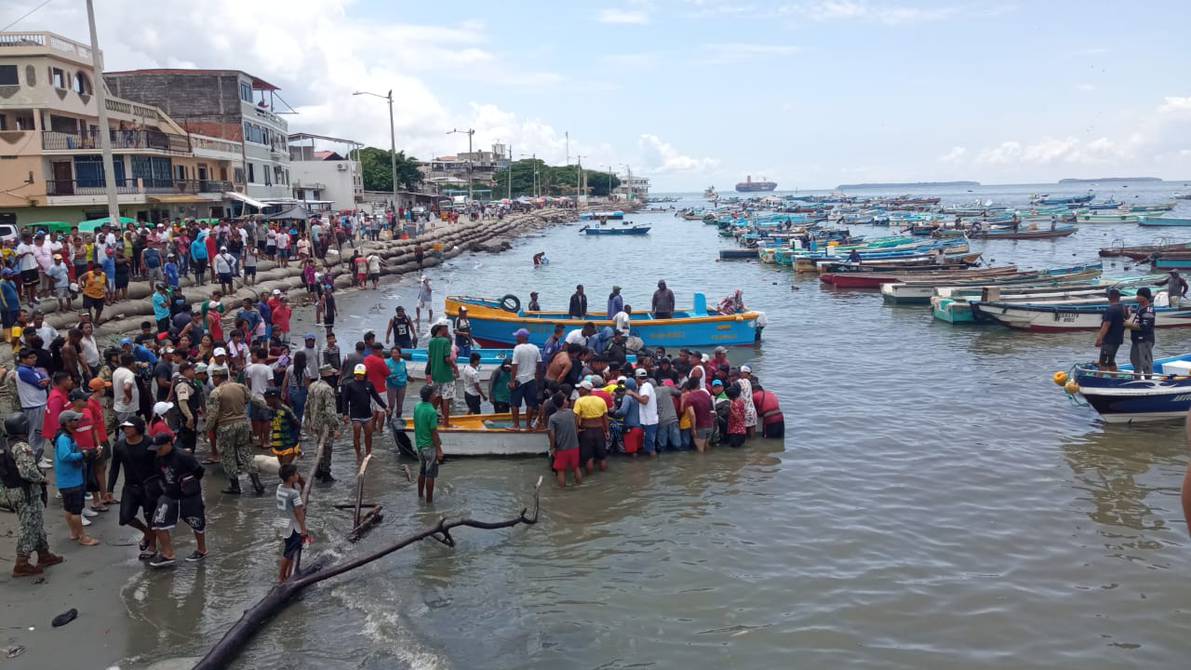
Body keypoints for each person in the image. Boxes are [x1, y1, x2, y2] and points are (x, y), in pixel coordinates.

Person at [2, 412, 64, 576]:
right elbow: (27, 472)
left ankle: (44, 554)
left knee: (36, 522)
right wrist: (43, 479)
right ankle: (21, 563)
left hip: (13, 490)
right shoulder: (21, 447)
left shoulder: (6, 443)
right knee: (28, 526)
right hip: (25, 492)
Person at [147, 433, 207, 568]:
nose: (158, 451)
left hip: (189, 497)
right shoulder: (158, 458)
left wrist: (188, 482)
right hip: (169, 496)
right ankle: (168, 554)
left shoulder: (183, 456)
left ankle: (201, 549)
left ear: (169, 444)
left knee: (197, 523)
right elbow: (159, 475)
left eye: (160, 448)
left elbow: (199, 472)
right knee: (157, 522)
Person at [206, 367, 266, 495]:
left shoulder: (216, 392)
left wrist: (207, 429)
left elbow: (213, 414)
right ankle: (257, 483)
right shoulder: (240, 387)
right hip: (243, 424)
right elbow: (254, 400)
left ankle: (234, 486)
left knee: (228, 456)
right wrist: (267, 407)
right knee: (246, 453)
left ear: (218, 377)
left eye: (213, 377)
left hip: (226, 426)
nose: (213, 380)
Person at [108, 416, 159, 560]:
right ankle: (147, 534)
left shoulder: (150, 442)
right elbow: (114, 468)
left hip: (149, 486)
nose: (126, 430)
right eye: (124, 427)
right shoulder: (119, 446)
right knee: (125, 517)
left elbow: (160, 462)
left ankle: (152, 546)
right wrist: (109, 489)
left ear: (138, 428)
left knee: (151, 518)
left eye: (130, 427)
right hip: (130, 486)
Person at [54, 410, 100, 546]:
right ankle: (82, 536)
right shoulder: (64, 438)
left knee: (68, 509)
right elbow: (65, 456)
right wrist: (83, 454)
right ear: (67, 423)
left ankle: (74, 532)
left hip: (66, 480)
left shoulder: (65, 436)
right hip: (71, 480)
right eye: (75, 420)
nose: (78, 422)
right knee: (75, 511)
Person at [340, 363, 386, 460]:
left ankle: (368, 453)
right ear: (355, 374)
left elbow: (376, 397)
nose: (359, 376)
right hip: (355, 414)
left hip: (367, 414)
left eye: (361, 374)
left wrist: (385, 407)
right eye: (358, 374)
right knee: (356, 433)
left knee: (368, 434)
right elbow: (345, 400)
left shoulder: (369, 384)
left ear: (364, 373)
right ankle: (358, 454)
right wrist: (345, 414)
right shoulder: (350, 385)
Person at [275, 463, 312, 582]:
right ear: (291, 477)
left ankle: (289, 573)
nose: (298, 475)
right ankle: (281, 577)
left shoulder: (279, 488)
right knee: (289, 551)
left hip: (283, 522)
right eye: (296, 474)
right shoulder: (294, 494)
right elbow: (299, 513)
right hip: (292, 525)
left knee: (290, 548)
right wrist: (303, 529)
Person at [306, 364, 340, 483]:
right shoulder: (327, 389)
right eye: (333, 375)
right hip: (326, 425)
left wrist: (309, 421)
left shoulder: (312, 385)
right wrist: (335, 427)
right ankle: (326, 473)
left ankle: (318, 470)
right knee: (327, 448)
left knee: (319, 446)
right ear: (329, 376)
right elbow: (330, 411)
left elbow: (307, 405)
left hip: (315, 423)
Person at [413, 384, 444, 503]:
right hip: (429, 446)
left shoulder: (417, 406)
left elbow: (416, 424)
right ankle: (429, 502)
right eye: (434, 394)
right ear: (431, 396)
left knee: (422, 472)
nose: (436, 395)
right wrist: (439, 449)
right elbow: (434, 433)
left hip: (420, 445)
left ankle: (420, 495)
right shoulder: (431, 411)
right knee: (430, 474)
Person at [573, 381, 610, 474]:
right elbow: (605, 418)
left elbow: (576, 418)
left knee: (588, 458)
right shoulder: (601, 400)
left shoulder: (579, 401)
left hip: (586, 431)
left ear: (585, 390)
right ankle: (604, 477)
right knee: (602, 457)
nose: (579, 391)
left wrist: (576, 430)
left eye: (580, 389)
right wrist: (607, 431)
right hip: (599, 431)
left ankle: (590, 479)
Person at [508, 328, 541, 430]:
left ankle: (516, 425)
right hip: (531, 379)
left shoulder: (517, 348)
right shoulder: (535, 348)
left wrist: (512, 380)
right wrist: (537, 377)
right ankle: (528, 425)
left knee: (514, 403)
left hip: (519, 379)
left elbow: (514, 365)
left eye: (517, 337)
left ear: (521, 337)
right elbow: (539, 363)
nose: (516, 338)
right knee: (530, 403)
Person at [547, 393, 583, 487]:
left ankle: (562, 490)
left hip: (562, 448)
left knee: (561, 470)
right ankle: (579, 485)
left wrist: (552, 448)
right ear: (563, 403)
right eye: (566, 400)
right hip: (575, 446)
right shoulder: (571, 413)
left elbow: (552, 434)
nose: (567, 401)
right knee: (576, 467)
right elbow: (576, 428)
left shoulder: (553, 418)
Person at [426, 323, 457, 427]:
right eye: (446, 328)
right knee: (446, 399)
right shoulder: (445, 341)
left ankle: (430, 419)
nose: (447, 330)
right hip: (446, 375)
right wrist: (455, 367)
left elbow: (430, 359)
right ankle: (446, 423)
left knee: (437, 397)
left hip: (435, 374)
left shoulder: (431, 342)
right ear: (441, 329)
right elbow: (447, 359)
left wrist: (429, 373)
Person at [626, 368, 659, 458]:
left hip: (650, 421)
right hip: (648, 420)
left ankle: (652, 464)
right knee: (648, 446)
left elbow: (644, 401)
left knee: (650, 447)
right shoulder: (645, 386)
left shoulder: (645, 386)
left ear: (637, 378)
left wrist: (632, 393)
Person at [265, 388, 302, 465]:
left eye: (267, 399)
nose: (266, 401)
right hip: (278, 444)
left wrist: (294, 438)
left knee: (286, 468)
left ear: (274, 398)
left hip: (288, 443)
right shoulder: (271, 411)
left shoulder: (285, 410)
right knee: (284, 469)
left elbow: (297, 424)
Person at [1127, 287, 1157, 379]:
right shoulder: (1140, 308)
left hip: (1144, 340)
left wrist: (1127, 325)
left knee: (1145, 361)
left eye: (1139, 295)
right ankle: (1137, 378)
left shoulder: (1149, 310)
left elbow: (1144, 327)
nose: (1137, 297)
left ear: (1145, 297)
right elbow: (1137, 321)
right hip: (1136, 340)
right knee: (1134, 359)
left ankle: (1148, 380)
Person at [1094, 287, 1127, 372]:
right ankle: (1114, 378)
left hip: (1109, 340)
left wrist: (1099, 339)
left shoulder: (1111, 309)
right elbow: (1127, 318)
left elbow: (1106, 325)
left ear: (1109, 297)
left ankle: (1100, 380)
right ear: (1118, 297)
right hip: (1118, 339)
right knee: (1111, 361)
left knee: (1103, 362)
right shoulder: (1123, 308)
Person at [681, 378, 715, 452]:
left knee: (700, 452)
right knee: (707, 447)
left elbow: (692, 414)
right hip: (710, 426)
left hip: (700, 427)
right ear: (698, 385)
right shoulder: (706, 394)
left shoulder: (689, 398)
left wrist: (693, 429)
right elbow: (711, 409)